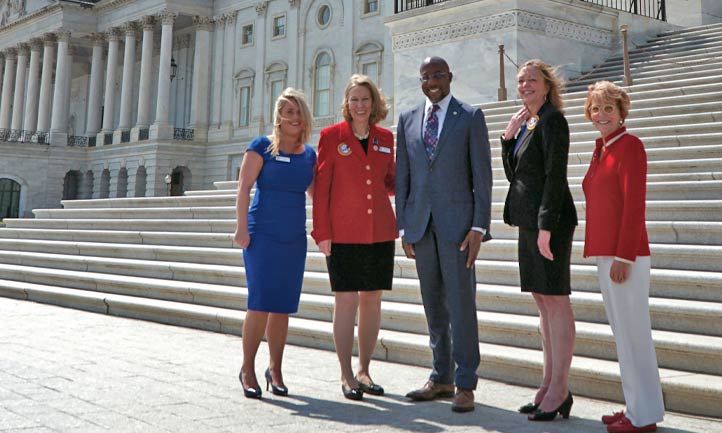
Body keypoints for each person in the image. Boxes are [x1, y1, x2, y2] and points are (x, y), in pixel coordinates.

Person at [396, 56, 492, 413]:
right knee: (433, 304)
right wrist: (403, 226)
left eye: (438, 74)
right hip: (421, 227)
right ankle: (441, 376)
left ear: (450, 77)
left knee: (461, 305)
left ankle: (465, 383)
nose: (432, 81)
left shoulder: (469, 117)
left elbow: (481, 176)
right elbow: (404, 176)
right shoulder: (407, 119)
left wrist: (479, 226)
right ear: (420, 81)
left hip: (458, 229)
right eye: (426, 76)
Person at [582, 81, 664, 433]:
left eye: (608, 109)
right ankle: (635, 408)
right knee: (623, 335)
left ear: (621, 112)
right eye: (595, 109)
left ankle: (644, 417)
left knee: (635, 336)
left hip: (624, 256)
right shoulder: (601, 148)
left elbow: (634, 205)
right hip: (605, 252)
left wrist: (624, 256)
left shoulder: (630, 146)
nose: (601, 115)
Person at [500, 59, 578, 421]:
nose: (525, 85)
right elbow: (519, 176)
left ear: (547, 85)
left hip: (551, 223)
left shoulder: (553, 120)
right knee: (543, 304)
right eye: (520, 80)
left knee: (556, 301)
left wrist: (547, 226)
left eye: (532, 79)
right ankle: (548, 384)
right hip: (530, 222)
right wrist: (507, 140)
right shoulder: (529, 122)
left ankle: (560, 387)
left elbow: (554, 177)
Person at [312, 74, 397, 401]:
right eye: (354, 99)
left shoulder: (386, 138)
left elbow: (388, 181)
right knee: (346, 300)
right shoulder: (331, 136)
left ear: (374, 103)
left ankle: (364, 369)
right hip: (343, 233)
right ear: (346, 104)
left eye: (365, 99)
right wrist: (322, 232)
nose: (360, 105)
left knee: (372, 298)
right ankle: (346, 374)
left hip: (379, 231)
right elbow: (322, 189)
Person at [235, 88, 316, 399]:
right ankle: (247, 369)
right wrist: (241, 228)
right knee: (259, 303)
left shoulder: (309, 155)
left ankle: (276, 369)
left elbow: (316, 194)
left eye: (298, 111)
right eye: (288, 111)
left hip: (293, 237)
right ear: (279, 117)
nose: (293, 117)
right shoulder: (261, 147)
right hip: (262, 234)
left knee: (282, 306)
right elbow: (244, 189)